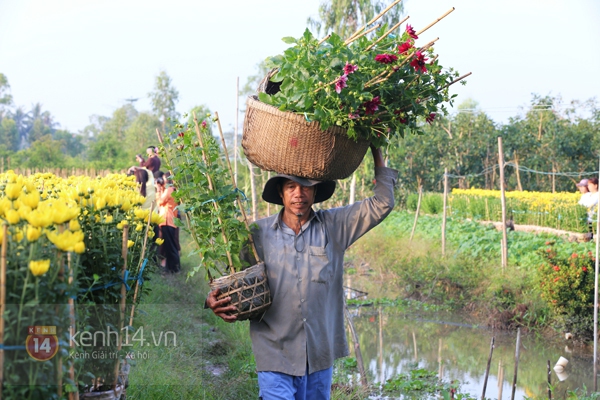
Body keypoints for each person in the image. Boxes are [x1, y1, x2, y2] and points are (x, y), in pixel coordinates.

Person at [206, 145, 397, 400]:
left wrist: (376, 151)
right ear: (281, 193)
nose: (299, 194)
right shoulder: (256, 235)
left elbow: (382, 203)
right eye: (291, 187)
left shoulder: (335, 227)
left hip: (318, 354)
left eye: (306, 186)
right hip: (274, 350)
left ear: (315, 191)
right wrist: (213, 300)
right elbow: (231, 280)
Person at [156, 174, 180, 273]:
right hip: (170, 221)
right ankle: (171, 268)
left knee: (170, 247)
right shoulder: (174, 189)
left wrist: (158, 189)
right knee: (170, 246)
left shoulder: (169, 189)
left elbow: (160, 202)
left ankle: (175, 268)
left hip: (167, 220)